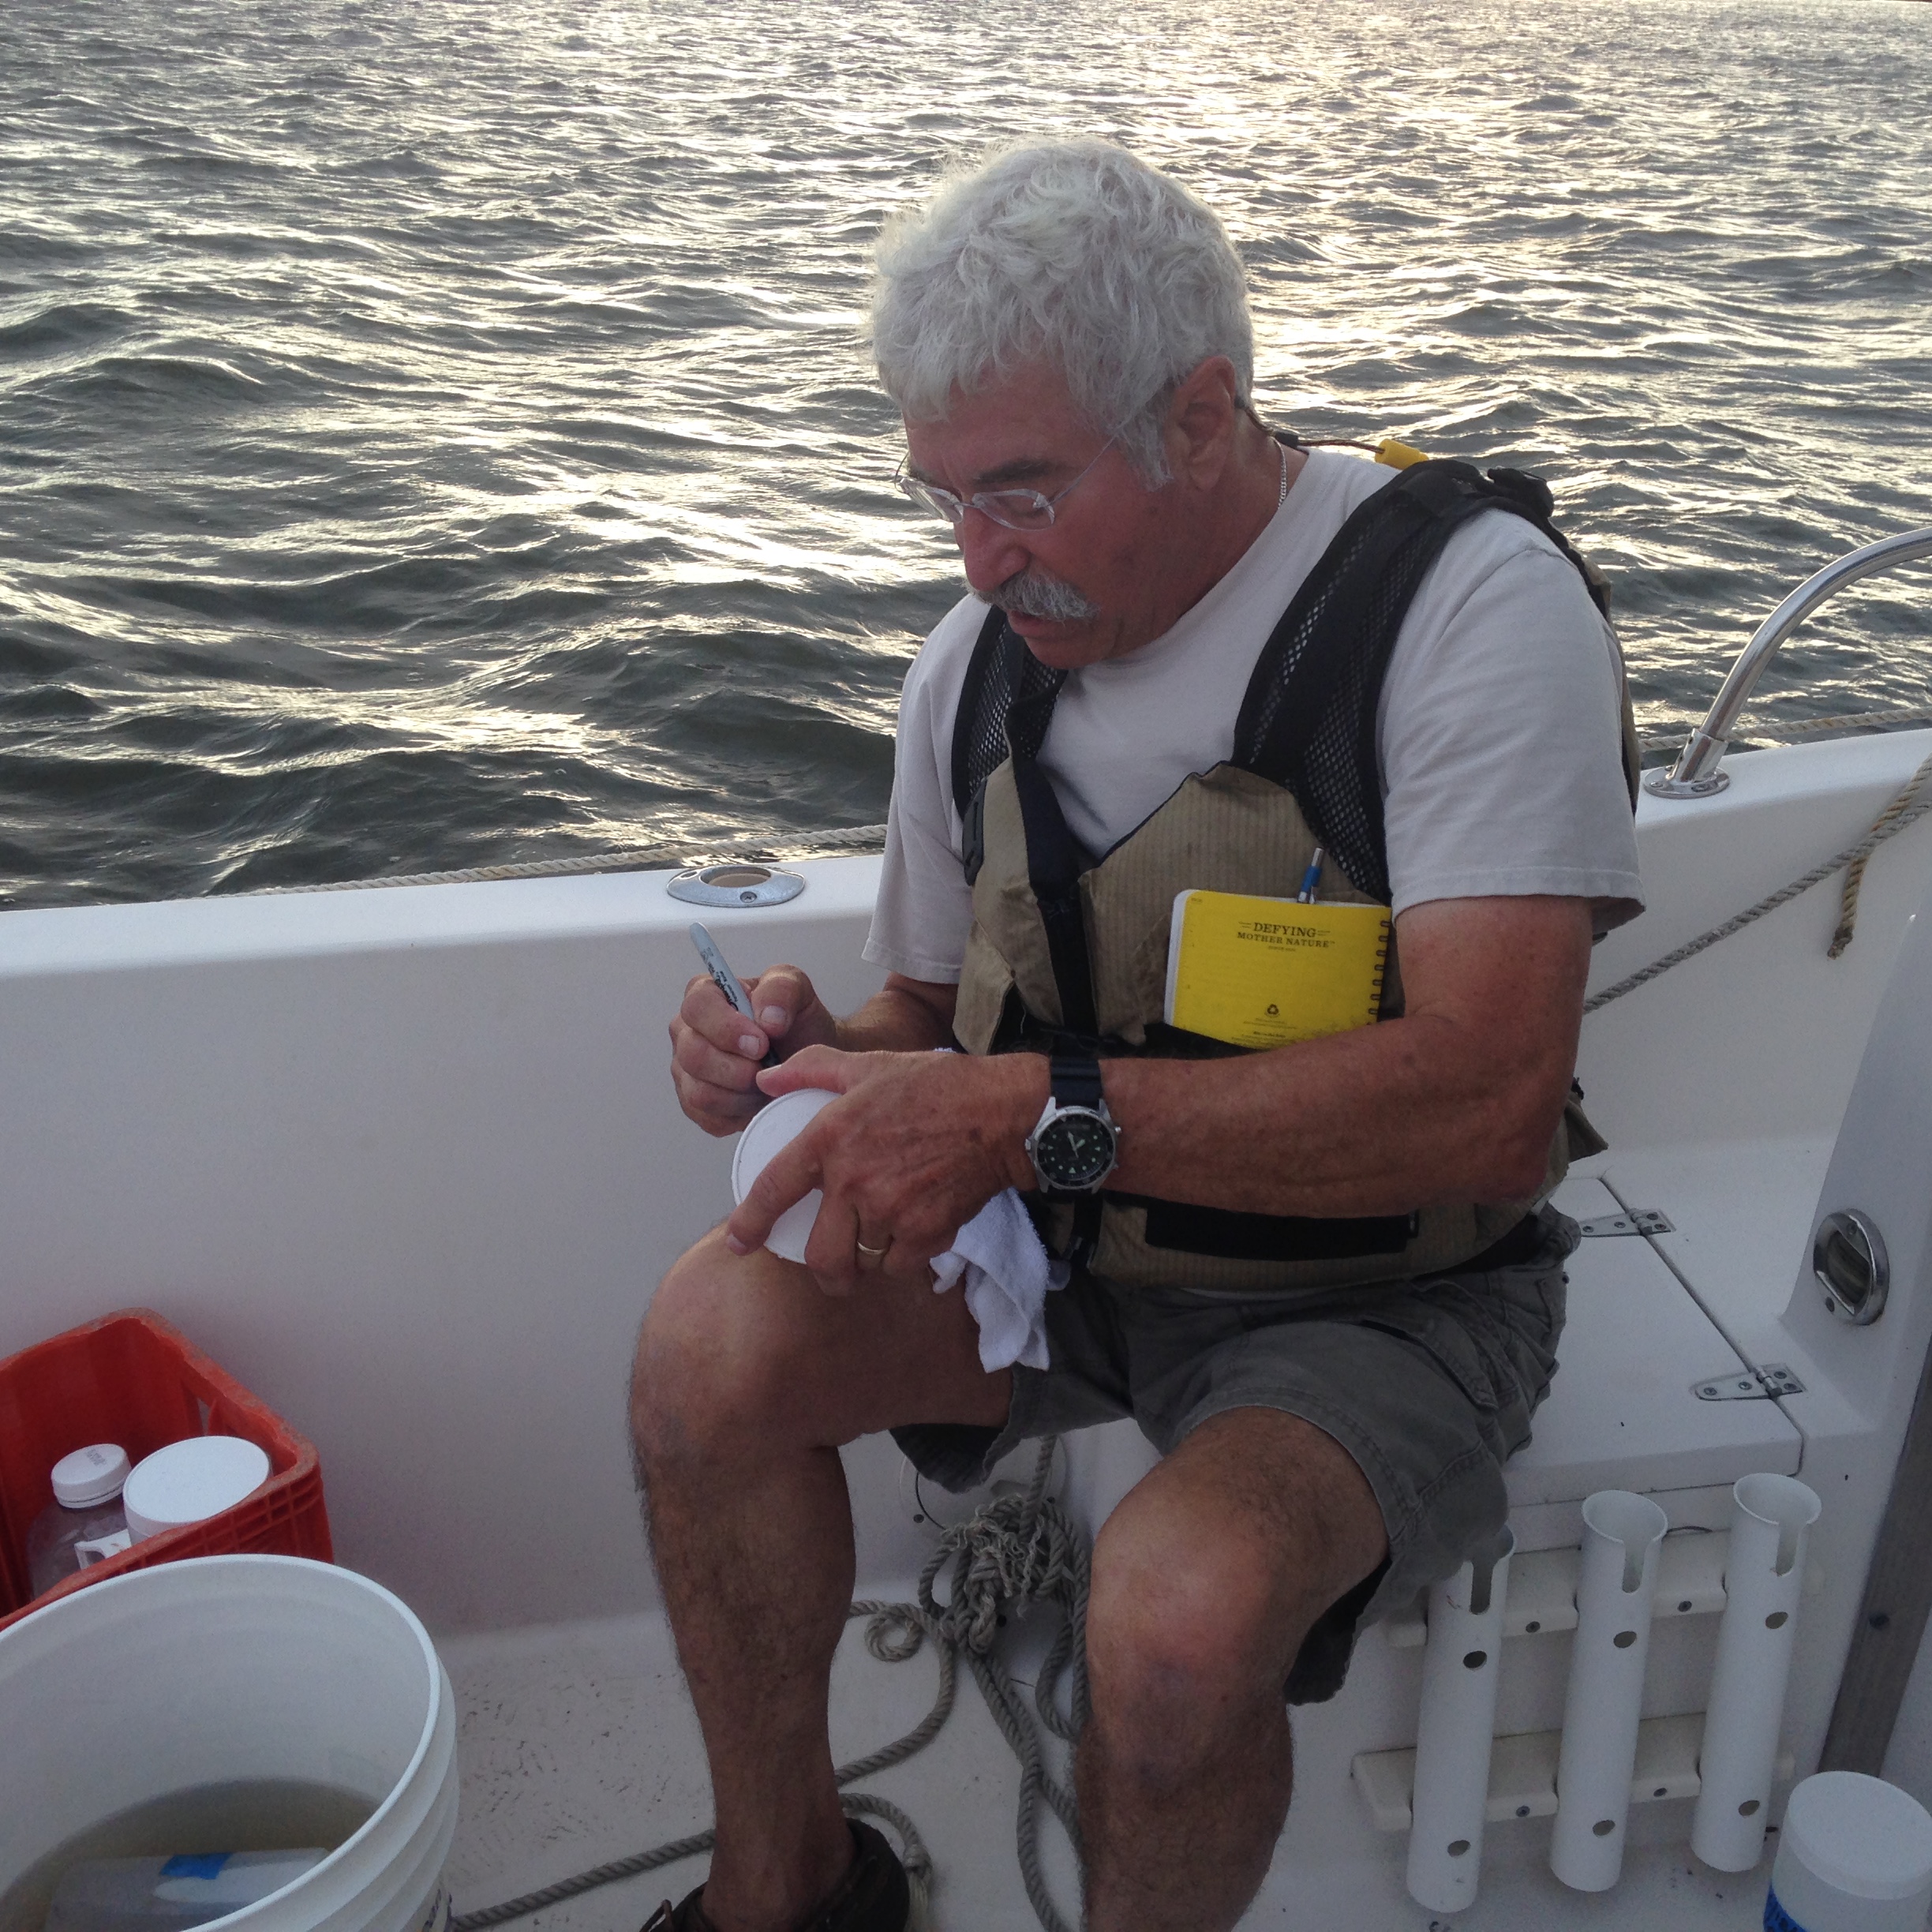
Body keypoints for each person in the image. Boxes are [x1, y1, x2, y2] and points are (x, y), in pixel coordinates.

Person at [632, 138, 1642, 1932]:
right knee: (699, 1355)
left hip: (1384, 1298)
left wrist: (1025, 1117)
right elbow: (924, 1019)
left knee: (1175, 1621)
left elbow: (1493, 1103)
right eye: (939, 493)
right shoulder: (974, 662)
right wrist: (806, 1047)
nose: (975, 554)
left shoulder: (1467, 611)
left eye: (1020, 489)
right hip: (1067, 1258)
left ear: (1199, 414)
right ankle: (779, 1887)